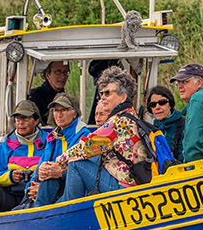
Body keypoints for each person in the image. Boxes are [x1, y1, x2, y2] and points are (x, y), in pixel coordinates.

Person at [54, 66, 147, 201]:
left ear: (123, 97)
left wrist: (60, 160)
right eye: (101, 93)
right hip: (134, 184)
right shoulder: (132, 117)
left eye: (107, 93)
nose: (102, 97)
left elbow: (87, 146)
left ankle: (69, 213)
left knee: (76, 164)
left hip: (124, 189)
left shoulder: (118, 122)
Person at [30, 92, 91, 207]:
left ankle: (39, 217)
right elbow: (42, 164)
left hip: (75, 192)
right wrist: (31, 187)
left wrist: (60, 173)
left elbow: (84, 171)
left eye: (64, 110)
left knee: (50, 173)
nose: (59, 115)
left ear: (75, 114)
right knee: (45, 169)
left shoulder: (84, 136)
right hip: (51, 191)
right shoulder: (53, 137)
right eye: (56, 110)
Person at [146, 85, 185, 161]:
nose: (157, 107)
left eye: (162, 102)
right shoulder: (151, 130)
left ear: (170, 104)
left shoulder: (184, 125)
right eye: (153, 105)